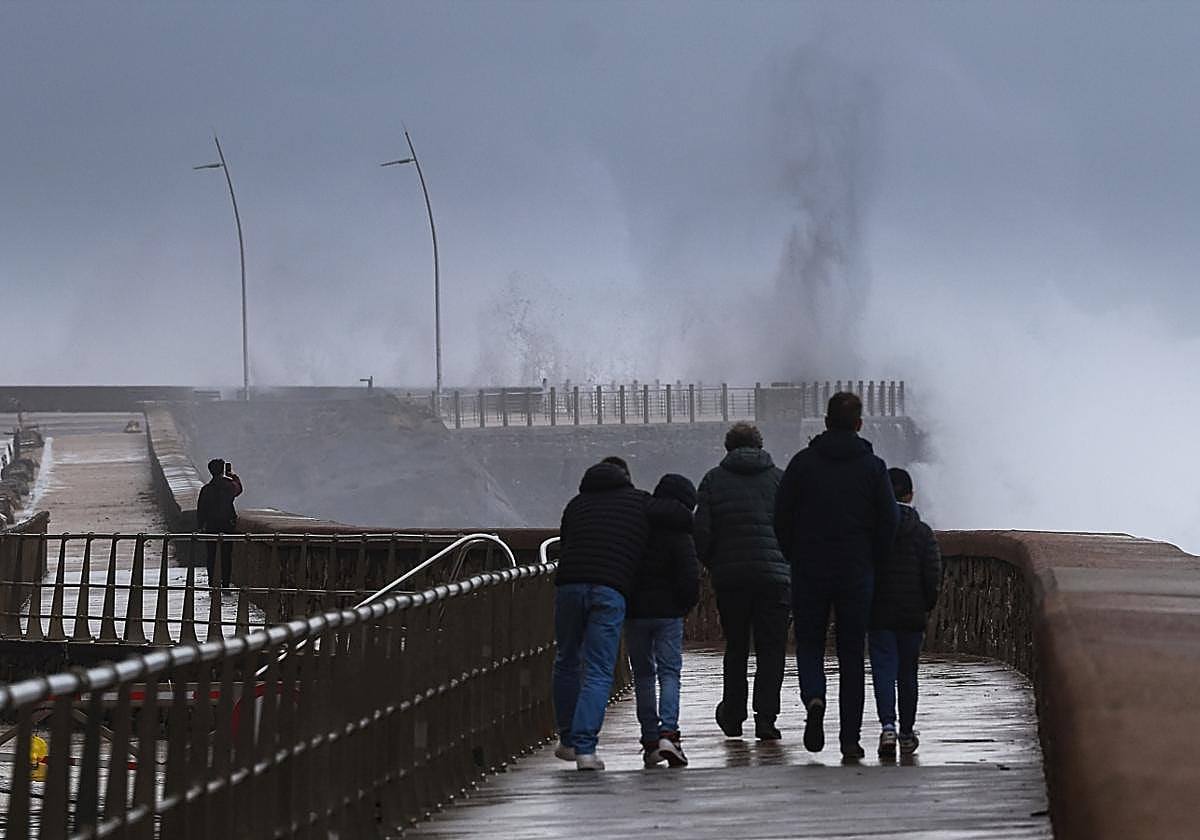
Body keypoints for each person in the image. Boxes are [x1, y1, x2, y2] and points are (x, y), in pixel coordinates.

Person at [775, 392, 899, 759]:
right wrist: (871, 559)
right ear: (859, 424)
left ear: (825, 421)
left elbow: (781, 517)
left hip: (810, 568)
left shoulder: (802, 464)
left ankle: (814, 696)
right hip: (856, 570)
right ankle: (849, 739)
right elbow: (889, 521)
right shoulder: (873, 467)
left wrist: (794, 555)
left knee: (810, 643)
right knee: (850, 654)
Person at [553, 455, 650, 771]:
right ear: (627, 477)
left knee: (566, 659)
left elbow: (565, 544)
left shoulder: (576, 505)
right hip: (610, 587)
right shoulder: (639, 503)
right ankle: (585, 749)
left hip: (569, 586)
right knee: (598, 669)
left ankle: (567, 740)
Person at [695, 423, 789, 741]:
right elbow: (795, 527)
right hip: (774, 579)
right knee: (771, 649)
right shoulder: (779, 479)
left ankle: (733, 717)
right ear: (759, 446)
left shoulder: (712, 480)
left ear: (728, 448)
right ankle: (766, 719)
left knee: (736, 648)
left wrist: (716, 564)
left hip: (732, 579)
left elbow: (702, 533)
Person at [625, 473, 700, 767]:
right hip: (668, 613)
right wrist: (684, 605)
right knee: (669, 672)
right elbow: (689, 576)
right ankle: (669, 732)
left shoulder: (636, 525)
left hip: (636, 612)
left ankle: (650, 741)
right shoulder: (680, 530)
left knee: (643, 674)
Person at [869, 467, 942, 758]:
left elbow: (863, 568)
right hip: (911, 614)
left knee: (883, 671)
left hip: (878, 612)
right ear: (911, 495)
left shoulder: (872, 530)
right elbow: (932, 573)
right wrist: (926, 603)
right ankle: (907, 732)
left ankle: (888, 725)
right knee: (907, 673)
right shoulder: (922, 532)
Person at [196, 458, 243, 588]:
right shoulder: (229, 486)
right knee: (226, 555)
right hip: (227, 524)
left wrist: (200, 526)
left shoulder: (206, 489)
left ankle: (212, 582)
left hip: (211, 525)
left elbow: (201, 509)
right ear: (222, 469)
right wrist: (233, 476)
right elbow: (238, 489)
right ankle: (226, 582)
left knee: (211, 555)